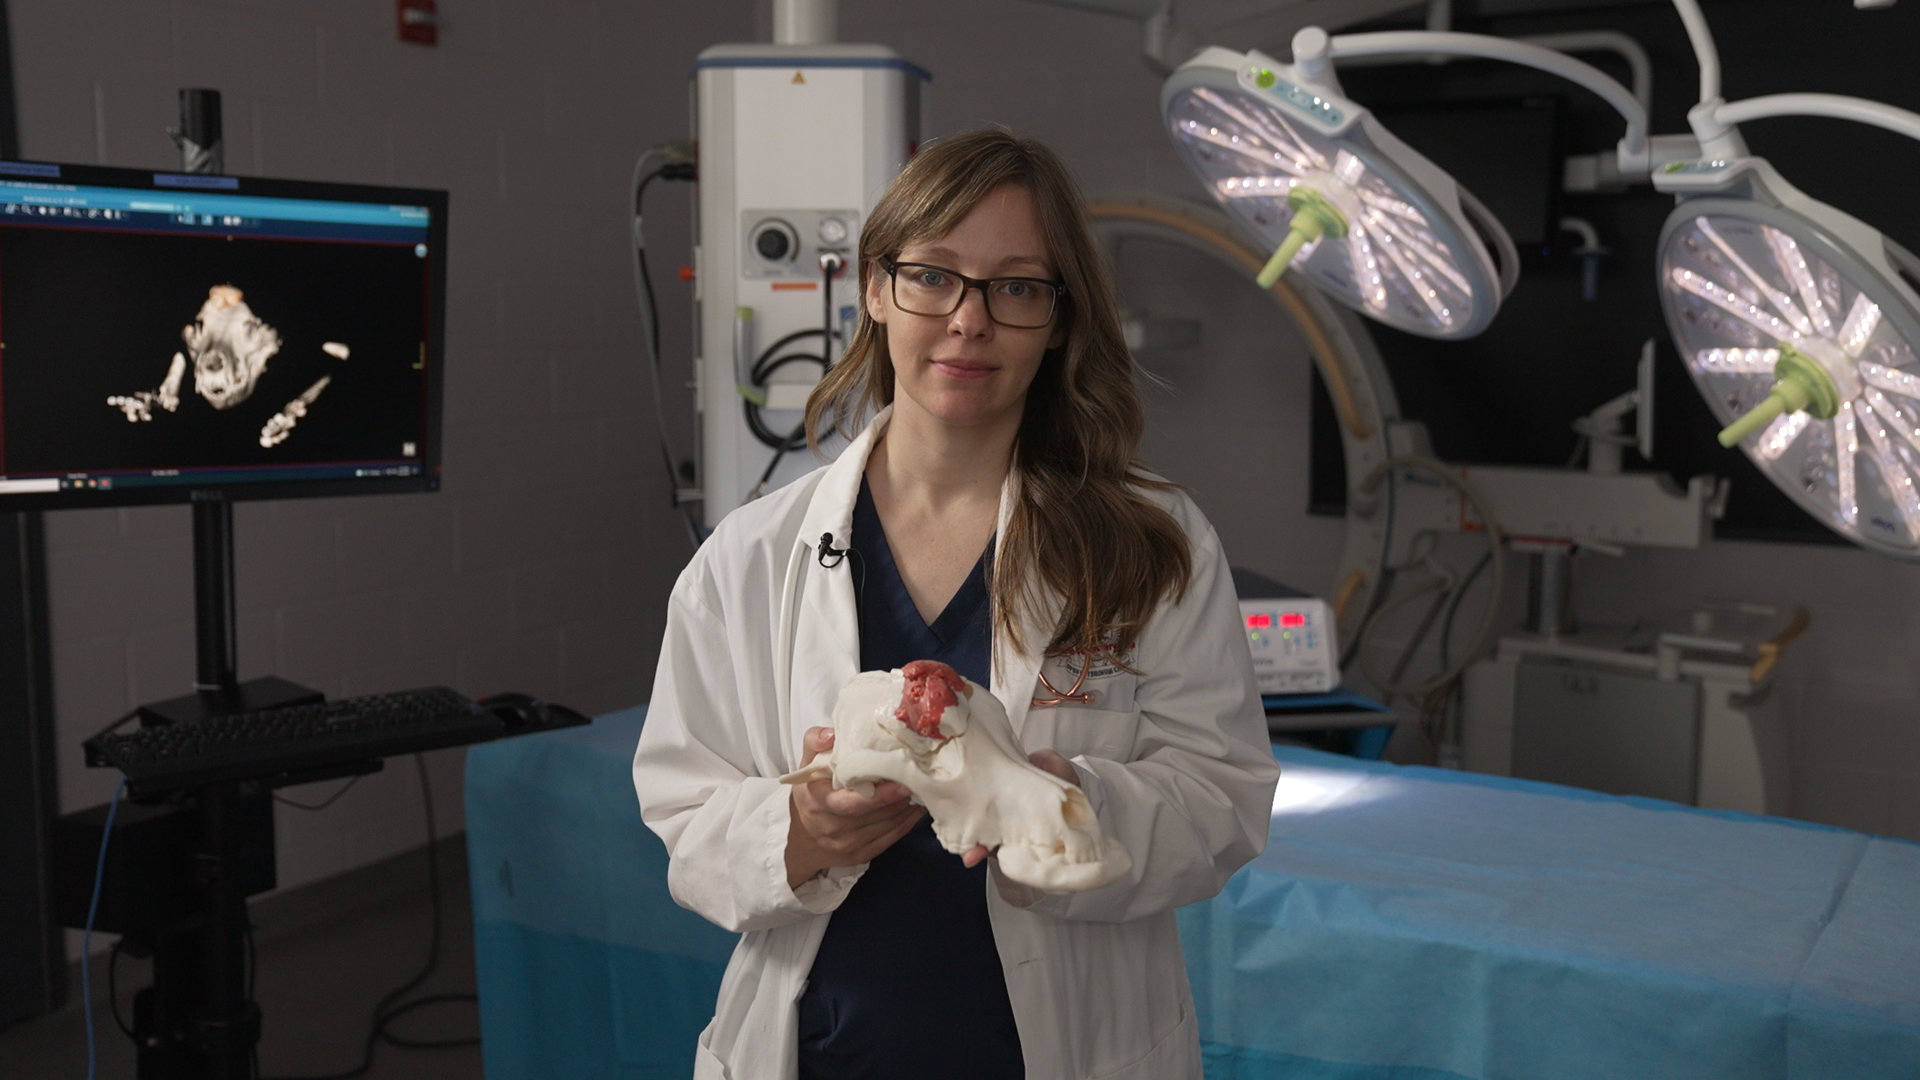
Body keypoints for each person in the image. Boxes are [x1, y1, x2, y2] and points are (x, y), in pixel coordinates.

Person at [633, 128, 1279, 1080]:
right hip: (825, 1052)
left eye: (1016, 287)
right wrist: (804, 828)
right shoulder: (749, 558)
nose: (968, 322)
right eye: (933, 276)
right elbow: (687, 825)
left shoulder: (1154, 544)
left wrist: (1068, 804)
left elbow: (1223, 801)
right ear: (876, 289)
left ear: (1059, 319)